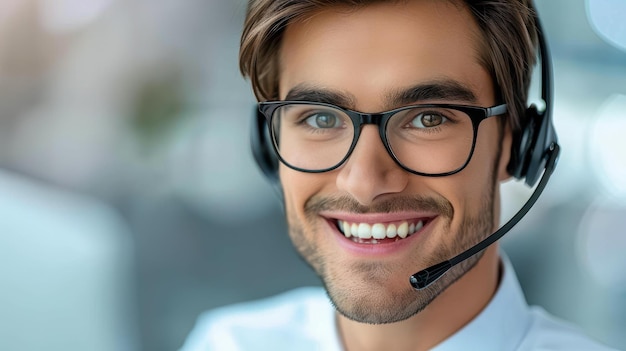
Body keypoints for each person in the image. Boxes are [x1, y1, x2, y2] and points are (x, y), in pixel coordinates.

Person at [181, 1, 619, 350]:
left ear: (517, 142)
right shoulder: (228, 342)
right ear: (267, 142)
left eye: (428, 118)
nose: (365, 183)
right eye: (319, 118)